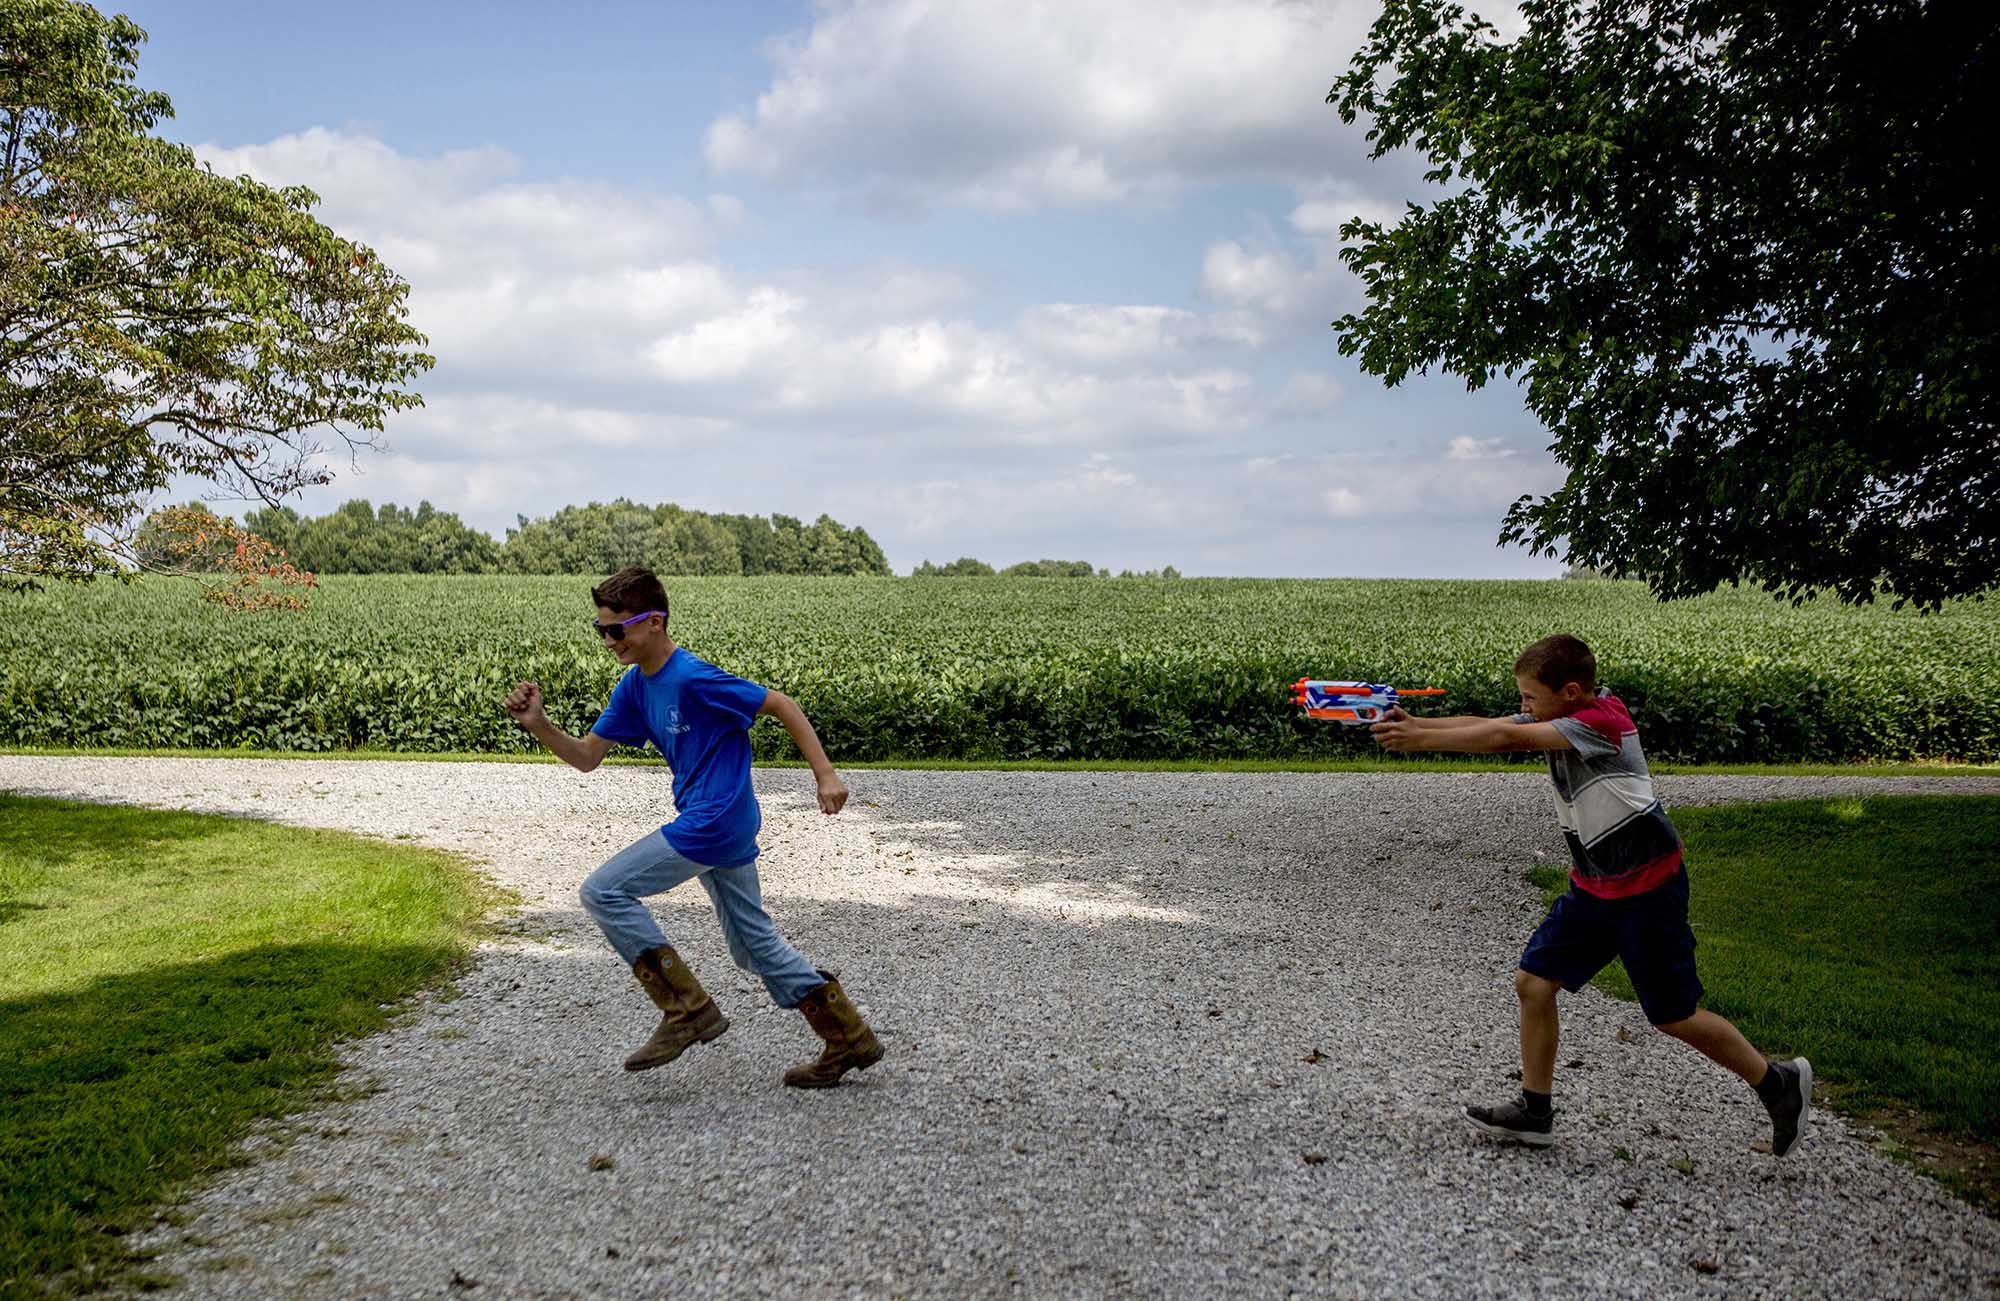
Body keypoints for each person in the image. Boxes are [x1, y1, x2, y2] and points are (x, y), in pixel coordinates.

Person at [1369, 634, 1810, 1154]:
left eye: (1532, 697)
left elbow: (1508, 739)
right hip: (1595, 887)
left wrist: (1420, 743)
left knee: (1673, 1015)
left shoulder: (1601, 725)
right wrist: (1415, 725)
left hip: (1648, 890)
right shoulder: (1573, 713)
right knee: (1534, 983)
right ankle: (1535, 1112)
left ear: (1572, 692)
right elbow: (1504, 725)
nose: (1524, 707)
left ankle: (1777, 1084)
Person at [501, 565, 882, 1089]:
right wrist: (539, 724)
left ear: (654, 622)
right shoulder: (636, 687)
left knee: (604, 891)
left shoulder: (693, 677)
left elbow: (780, 704)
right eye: (601, 631)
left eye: (618, 629)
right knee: (750, 946)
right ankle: (848, 1036)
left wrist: (826, 775)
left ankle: (687, 1008)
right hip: (714, 820)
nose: (609, 640)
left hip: (715, 820)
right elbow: (588, 757)